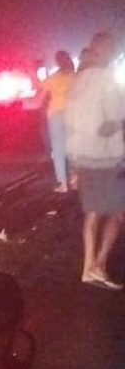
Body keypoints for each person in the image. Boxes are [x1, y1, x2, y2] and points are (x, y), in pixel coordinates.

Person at [65, 32, 125, 290]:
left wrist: (73, 165)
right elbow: (114, 121)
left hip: (83, 157)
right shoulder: (107, 80)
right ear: (106, 52)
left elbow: (69, 123)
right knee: (118, 213)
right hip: (107, 159)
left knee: (92, 214)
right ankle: (98, 265)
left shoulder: (77, 82)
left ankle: (87, 268)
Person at [38, 51, 76, 192]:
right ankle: (74, 177)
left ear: (57, 62)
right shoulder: (75, 76)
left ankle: (63, 184)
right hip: (72, 113)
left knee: (59, 150)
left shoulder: (53, 78)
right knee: (72, 147)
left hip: (55, 114)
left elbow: (39, 97)